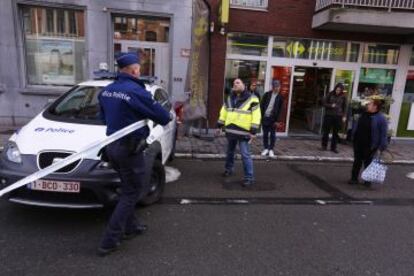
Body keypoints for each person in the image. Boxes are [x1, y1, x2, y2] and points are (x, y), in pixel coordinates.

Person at [97, 53, 171, 256]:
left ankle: (132, 226)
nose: (140, 71)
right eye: (139, 68)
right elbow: (163, 117)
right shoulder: (137, 92)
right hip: (130, 149)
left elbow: (103, 118)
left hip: (112, 148)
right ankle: (109, 240)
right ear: (134, 70)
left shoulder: (106, 91)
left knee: (127, 187)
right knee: (132, 193)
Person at [217, 78, 261, 187]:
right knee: (230, 152)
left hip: (244, 132)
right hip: (231, 131)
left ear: (244, 85)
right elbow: (223, 113)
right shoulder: (229, 98)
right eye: (234, 83)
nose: (235, 84)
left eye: (238, 83)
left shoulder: (253, 99)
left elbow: (256, 116)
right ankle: (229, 169)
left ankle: (249, 178)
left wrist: (253, 131)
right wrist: (219, 126)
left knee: (245, 155)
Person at [349, 99, 388, 188]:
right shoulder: (364, 114)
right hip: (358, 142)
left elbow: (383, 133)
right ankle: (354, 178)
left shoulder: (381, 118)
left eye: (370, 104)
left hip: (370, 144)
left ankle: (367, 181)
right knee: (357, 161)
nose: (368, 105)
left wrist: (382, 146)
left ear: (375, 107)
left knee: (368, 163)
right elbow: (357, 125)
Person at [321, 83, 347, 153]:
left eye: (339, 90)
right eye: (337, 89)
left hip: (338, 116)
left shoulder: (343, 97)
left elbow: (344, 107)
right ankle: (324, 146)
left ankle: (333, 147)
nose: (337, 91)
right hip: (329, 115)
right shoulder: (330, 94)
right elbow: (323, 103)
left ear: (341, 90)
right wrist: (330, 105)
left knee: (335, 133)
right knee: (326, 131)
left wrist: (344, 116)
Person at [260, 80, 284, 157]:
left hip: (274, 119)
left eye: (278, 86)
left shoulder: (280, 97)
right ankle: (266, 148)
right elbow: (261, 105)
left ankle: (271, 149)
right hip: (265, 117)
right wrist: (261, 116)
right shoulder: (267, 94)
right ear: (273, 87)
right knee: (265, 134)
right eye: (276, 86)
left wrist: (278, 121)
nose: (277, 88)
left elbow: (281, 110)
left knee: (273, 135)